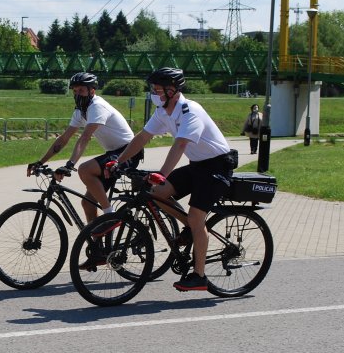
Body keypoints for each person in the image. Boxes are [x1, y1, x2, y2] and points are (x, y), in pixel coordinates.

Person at [108, 67, 236, 292]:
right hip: (197, 166)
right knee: (156, 194)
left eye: (157, 90)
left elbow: (180, 145)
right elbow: (143, 137)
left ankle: (199, 276)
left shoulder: (190, 111)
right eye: (153, 89)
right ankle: (189, 226)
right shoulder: (163, 112)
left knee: (197, 218)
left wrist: (162, 174)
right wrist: (119, 161)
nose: (153, 93)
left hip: (217, 167)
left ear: (172, 91)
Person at [27, 72, 143, 224]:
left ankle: (111, 216)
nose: (77, 94)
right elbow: (64, 139)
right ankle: (97, 244)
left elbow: (85, 137)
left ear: (92, 91)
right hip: (113, 153)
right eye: (74, 91)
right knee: (88, 203)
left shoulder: (97, 106)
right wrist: (40, 162)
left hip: (128, 152)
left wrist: (70, 165)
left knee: (85, 169)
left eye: (81, 90)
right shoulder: (81, 111)